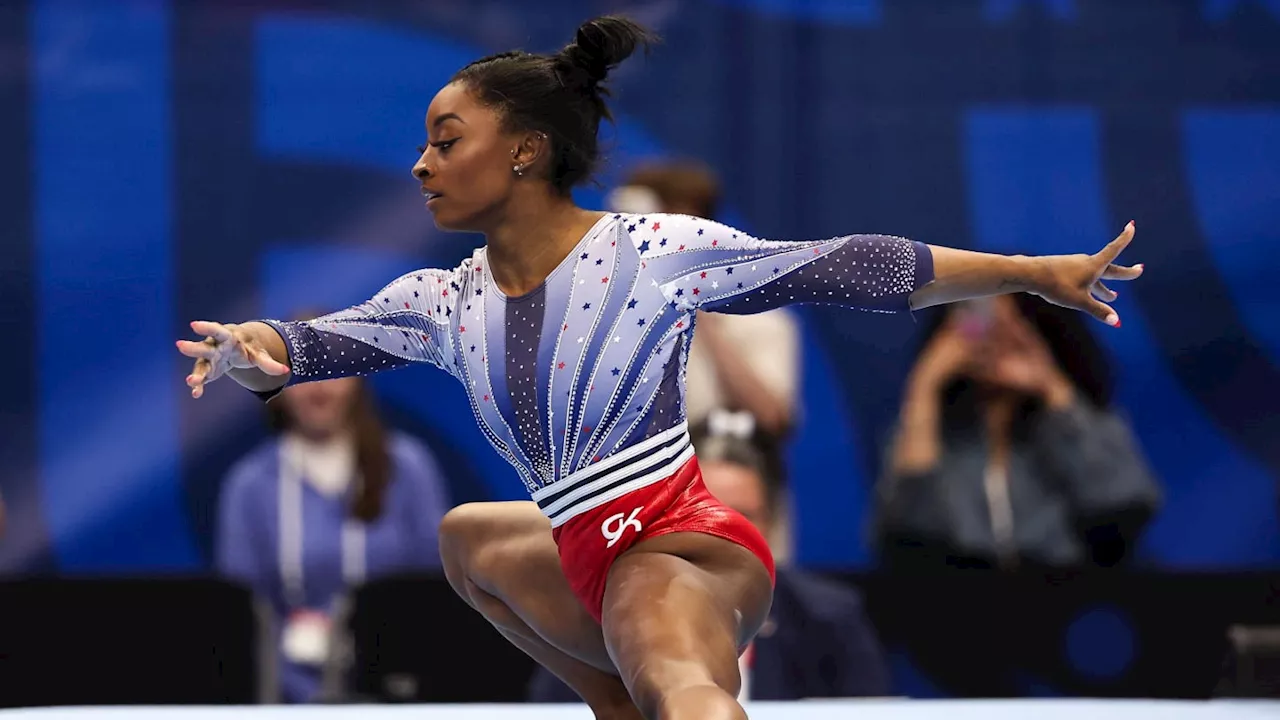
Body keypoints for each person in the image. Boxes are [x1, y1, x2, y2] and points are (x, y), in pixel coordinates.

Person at [176, 16, 1143, 720]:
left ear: (524, 151)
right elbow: (301, 352)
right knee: (470, 539)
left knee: (681, 681)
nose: (422, 165)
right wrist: (246, 356)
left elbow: (849, 262)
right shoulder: (444, 301)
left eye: (445, 140)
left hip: (682, 544)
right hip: (587, 554)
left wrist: (1031, 273)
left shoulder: (652, 251)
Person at [529, 409, 891, 702]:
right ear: (666, 513)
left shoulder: (827, 620)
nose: (721, 538)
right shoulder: (601, 615)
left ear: (772, 522)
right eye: (707, 513)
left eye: (743, 519)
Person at [216, 347, 451, 703]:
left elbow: (433, 593)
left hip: (396, 691)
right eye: (301, 376)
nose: (318, 388)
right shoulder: (249, 484)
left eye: (331, 373)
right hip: (285, 696)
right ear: (274, 389)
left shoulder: (408, 468)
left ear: (358, 382)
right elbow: (243, 614)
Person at [874, 293, 1159, 571]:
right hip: (957, 603)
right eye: (976, 323)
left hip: (1072, 598)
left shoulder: (1085, 421)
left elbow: (1124, 503)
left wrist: (1052, 386)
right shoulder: (929, 436)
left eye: (1010, 325)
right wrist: (925, 385)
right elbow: (906, 532)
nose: (993, 339)